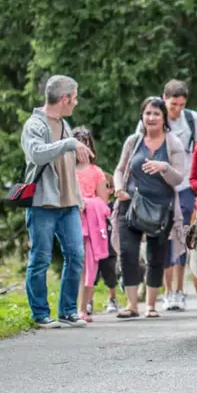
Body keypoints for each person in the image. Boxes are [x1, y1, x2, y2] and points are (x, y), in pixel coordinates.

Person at [20, 75, 94, 329]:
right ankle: (40, 314)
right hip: (43, 204)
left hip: (69, 203)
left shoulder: (65, 125)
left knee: (76, 255)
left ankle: (68, 311)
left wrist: (79, 196)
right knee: (39, 258)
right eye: (74, 98)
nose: (76, 102)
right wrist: (69, 143)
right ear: (64, 98)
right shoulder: (34, 125)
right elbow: (36, 154)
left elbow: (68, 166)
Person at [113, 97, 186, 319]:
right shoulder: (133, 141)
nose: (151, 118)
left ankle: (151, 306)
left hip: (161, 208)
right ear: (142, 116)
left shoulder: (173, 143)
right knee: (128, 252)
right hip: (131, 204)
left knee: (156, 256)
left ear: (164, 118)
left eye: (156, 114)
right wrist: (118, 189)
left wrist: (164, 167)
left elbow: (178, 178)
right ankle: (132, 305)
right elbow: (119, 169)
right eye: (147, 113)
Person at [159, 80, 197, 311]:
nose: (176, 109)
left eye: (180, 104)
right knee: (165, 239)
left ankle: (180, 289)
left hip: (185, 185)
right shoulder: (155, 117)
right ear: (164, 98)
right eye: (172, 104)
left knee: (182, 238)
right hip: (162, 187)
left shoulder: (192, 119)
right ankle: (168, 291)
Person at [73, 127, 112, 322]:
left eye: (86, 142)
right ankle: (70, 306)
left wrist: (88, 203)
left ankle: (83, 308)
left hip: (92, 225)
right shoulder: (67, 172)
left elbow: (103, 203)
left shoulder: (97, 172)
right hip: (72, 223)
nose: (82, 148)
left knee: (89, 267)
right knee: (74, 265)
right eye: (78, 143)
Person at [95, 173, 120, 313]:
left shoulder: (113, 207)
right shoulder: (92, 205)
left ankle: (112, 298)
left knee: (110, 275)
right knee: (91, 276)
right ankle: (88, 301)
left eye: (103, 186)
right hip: (94, 246)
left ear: (111, 190)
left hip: (109, 248)